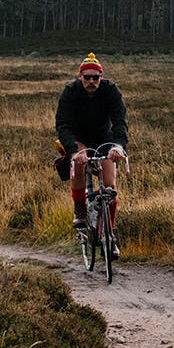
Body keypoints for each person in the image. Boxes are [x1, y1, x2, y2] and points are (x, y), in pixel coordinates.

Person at [55, 53, 129, 254]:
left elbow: (120, 121)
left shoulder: (111, 90)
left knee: (110, 188)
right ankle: (80, 209)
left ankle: (109, 234)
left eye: (95, 78)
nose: (91, 81)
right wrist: (72, 151)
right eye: (86, 77)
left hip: (104, 139)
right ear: (80, 77)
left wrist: (119, 147)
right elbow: (62, 125)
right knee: (79, 164)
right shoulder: (70, 91)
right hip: (78, 139)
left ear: (101, 77)